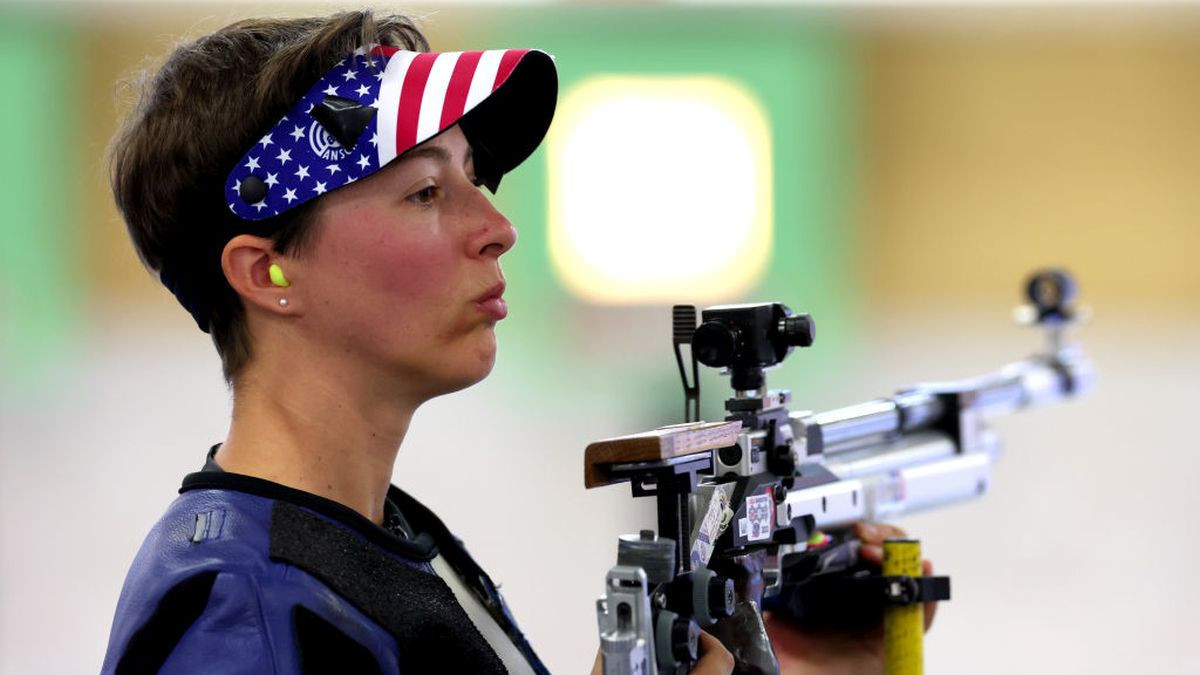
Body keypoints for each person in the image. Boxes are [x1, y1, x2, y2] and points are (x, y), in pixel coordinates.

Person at [101, 10, 931, 675]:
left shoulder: (372, 545)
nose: (498, 228)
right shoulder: (247, 610)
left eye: (475, 179)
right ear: (267, 273)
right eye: (426, 190)